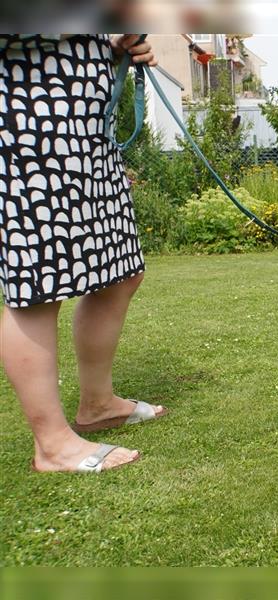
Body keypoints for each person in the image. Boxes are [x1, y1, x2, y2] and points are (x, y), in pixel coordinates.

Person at [0, 34, 167, 472]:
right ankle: (52, 445)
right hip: (30, 119)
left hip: (88, 133)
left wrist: (113, 44)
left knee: (121, 272)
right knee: (38, 284)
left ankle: (97, 403)